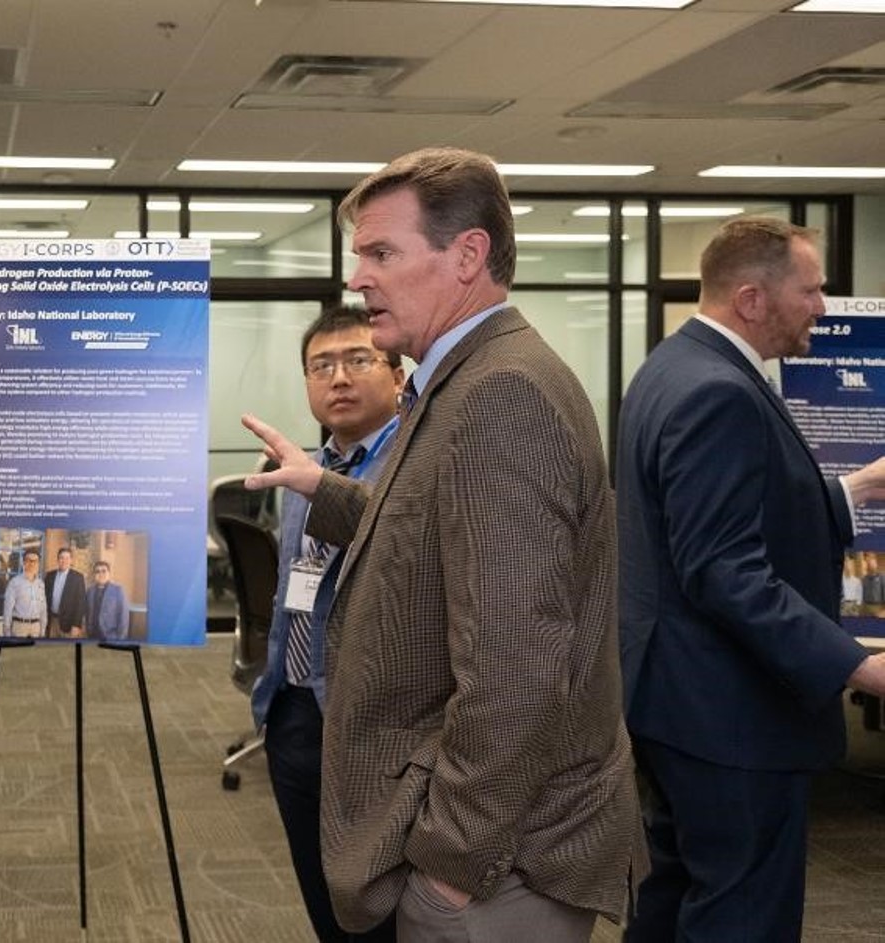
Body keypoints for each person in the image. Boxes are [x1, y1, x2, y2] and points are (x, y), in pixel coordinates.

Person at [242, 147, 646, 940]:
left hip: (495, 871)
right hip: (493, 855)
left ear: (468, 255)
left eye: (381, 253)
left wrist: (451, 864)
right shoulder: (466, 377)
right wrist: (322, 488)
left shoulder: (501, 394)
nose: (358, 278)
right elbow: (432, 542)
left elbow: (516, 668)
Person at [617, 217, 885, 941]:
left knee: (676, 895)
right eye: (812, 289)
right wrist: (858, 664)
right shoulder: (720, 392)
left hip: (676, 700)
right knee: (741, 913)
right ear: (751, 299)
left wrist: (854, 487)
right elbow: (723, 569)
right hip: (729, 713)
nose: (824, 308)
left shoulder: (673, 366)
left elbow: (716, 523)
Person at [249, 303, 404, 943]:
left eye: (358, 360)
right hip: (293, 710)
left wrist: (322, 487)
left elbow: (403, 533)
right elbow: (295, 590)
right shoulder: (302, 470)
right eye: (321, 366)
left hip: (372, 727)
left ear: (398, 376)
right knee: (325, 905)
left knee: (379, 909)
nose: (338, 378)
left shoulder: (414, 465)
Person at [3, 549, 47, 638]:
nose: (32, 563)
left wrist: (42, 629)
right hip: (19, 627)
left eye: (35, 561)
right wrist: (6, 631)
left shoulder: (40, 584)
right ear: (23, 563)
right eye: (29, 560)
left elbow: (43, 608)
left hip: (36, 627)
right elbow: (8, 608)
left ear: (38, 564)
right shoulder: (14, 583)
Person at [44, 546, 87, 638]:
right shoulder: (49, 576)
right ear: (58, 560)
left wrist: (76, 625)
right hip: (52, 621)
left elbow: (81, 603)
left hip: (69, 624)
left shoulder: (78, 578)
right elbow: (44, 599)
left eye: (67, 558)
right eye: (61, 558)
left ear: (71, 560)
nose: (64, 560)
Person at [84, 560, 130, 641]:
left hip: (111, 637)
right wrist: (88, 630)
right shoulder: (90, 591)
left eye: (104, 571)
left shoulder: (118, 590)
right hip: (92, 636)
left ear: (109, 573)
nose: (101, 574)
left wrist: (120, 639)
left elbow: (124, 617)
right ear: (94, 575)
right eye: (97, 571)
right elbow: (88, 613)